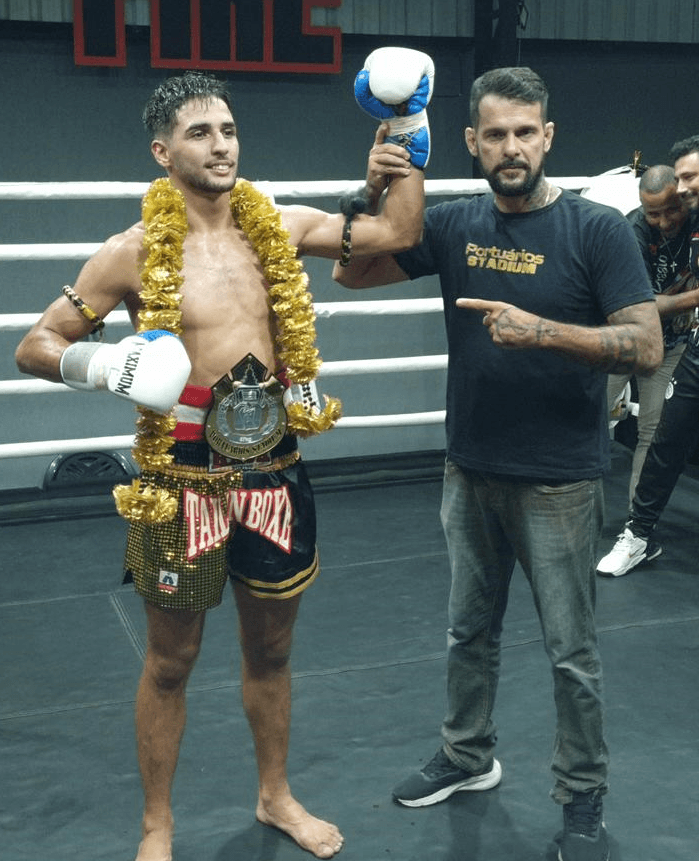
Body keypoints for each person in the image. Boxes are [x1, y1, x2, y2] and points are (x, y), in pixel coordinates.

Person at [15, 60, 429, 861]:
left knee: (271, 650)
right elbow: (37, 344)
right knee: (171, 661)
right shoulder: (130, 252)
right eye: (200, 132)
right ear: (162, 153)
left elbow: (395, 233)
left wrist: (407, 135)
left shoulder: (276, 224)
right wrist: (106, 366)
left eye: (229, 129)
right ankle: (157, 826)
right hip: (180, 477)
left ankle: (274, 795)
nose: (220, 145)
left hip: (274, 464)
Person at [333, 66, 662, 861]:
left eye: (525, 132)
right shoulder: (453, 224)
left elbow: (646, 346)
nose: (510, 147)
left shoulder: (595, 231)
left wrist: (542, 329)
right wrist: (370, 192)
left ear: (546, 137)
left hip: (559, 479)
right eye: (495, 134)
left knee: (570, 652)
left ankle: (581, 796)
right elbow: (352, 269)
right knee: (466, 631)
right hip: (470, 467)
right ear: (473, 142)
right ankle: (466, 754)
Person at [596, 135, 699, 578]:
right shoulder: (632, 229)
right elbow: (638, 305)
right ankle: (561, 509)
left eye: (670, 208)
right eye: (653, 211)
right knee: (590, 413)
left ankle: (638, 530)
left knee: (655, 433)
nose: (662, 220)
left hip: (675, 346)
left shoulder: (695, 221)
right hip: (626, 341)